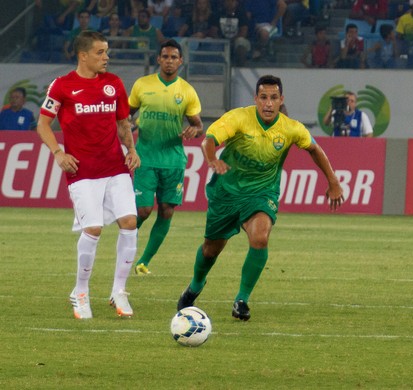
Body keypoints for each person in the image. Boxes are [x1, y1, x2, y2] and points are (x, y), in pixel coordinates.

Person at [176, 75, 344, 321]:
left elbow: (314, 149)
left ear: (281, 100)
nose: (268, 103)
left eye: (273, 98)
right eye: (263, 98)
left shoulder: (291, 128)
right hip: (226, 192)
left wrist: (333, 181)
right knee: (211, 249)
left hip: (262, 192)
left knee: (260, 237)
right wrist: (213, 159)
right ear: (255, 99)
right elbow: (209, 140)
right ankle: (195, 285)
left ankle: (241, 299)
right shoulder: (239, 118)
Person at [37, 31, 140, 319]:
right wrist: (59, 153)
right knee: (93, 228)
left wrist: (131, 149)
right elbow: (43, 125)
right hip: (82, 171)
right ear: (83, 55)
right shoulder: (62, 86)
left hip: (115, 167)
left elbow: (123, 122)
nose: (106, 57)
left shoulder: (114, 84)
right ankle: (80, 292)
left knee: (130, 222)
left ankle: (119, 290)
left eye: (106, 52)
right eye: (100, 52)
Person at [128, 39, 203, 275]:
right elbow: (126, 115)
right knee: (143, 211)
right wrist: (128, 125)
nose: (169, 61)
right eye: (165, 56)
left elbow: (198, 125)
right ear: (158, 59)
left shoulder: (187, 91)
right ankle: (126, 243)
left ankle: (144, 262)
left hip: (173, 160)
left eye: (174, 57)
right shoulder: (142, 85)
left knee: (167, 210)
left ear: (180, 61)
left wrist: (194, 130)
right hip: (146, 157)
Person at [207, 0, 251, 66]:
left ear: (236, 2)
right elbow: (213, 31)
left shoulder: (241, 14)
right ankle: (214, 67)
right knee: (209, 40)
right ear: (223, 2)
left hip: (237, 40)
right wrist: (222, 41)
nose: (230, 3)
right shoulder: (217, 14)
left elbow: (243, 32)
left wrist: (231, 41)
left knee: (241, 41)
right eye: (227, 1)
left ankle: (240, 67)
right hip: (221, 41)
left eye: (232, 1)